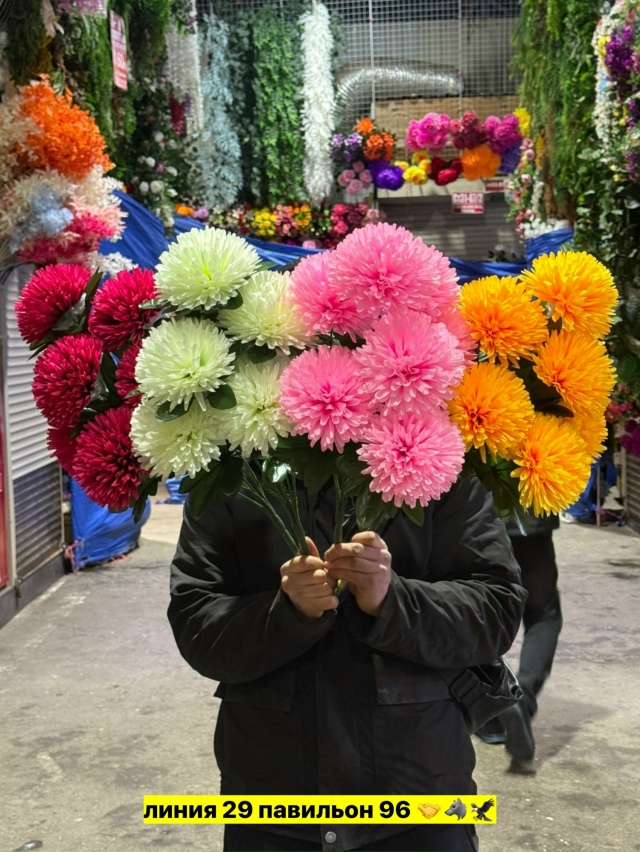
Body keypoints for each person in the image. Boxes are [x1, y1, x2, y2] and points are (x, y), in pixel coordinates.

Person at [168, 476, 526, 852]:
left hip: (422, 797)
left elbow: (495, 613)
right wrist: (287, 613)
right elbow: (196, 623)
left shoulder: (444, 465)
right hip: (271, 802)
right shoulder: (230, 469)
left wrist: (391, 600)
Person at [476, 514, 561, 775]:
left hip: (478, 521)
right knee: (543, 615)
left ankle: (492, 714)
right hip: (531, 521)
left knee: (480, 612)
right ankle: (522, 693)